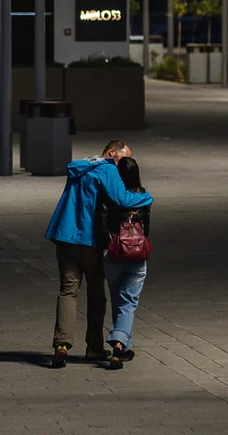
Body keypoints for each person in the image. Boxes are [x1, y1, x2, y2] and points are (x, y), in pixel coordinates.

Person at [44, 140, 153, 368]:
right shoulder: (107, 169)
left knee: (67, 292)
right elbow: (122, 199)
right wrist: (147, 198)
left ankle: (61, 345)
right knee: (96, 294)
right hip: (87, 240)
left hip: (63, 234)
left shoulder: (81, 165)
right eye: (122, 158)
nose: (123, 164)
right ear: (112, 152)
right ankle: (93, 347)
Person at [96, 156, 152, 370]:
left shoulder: (110, 195)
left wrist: (108, 243)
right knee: (128, 302)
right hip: (136, 254)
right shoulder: (143, 196)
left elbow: (101, 222)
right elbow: (146, 227)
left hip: (114, 253)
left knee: (118, 299)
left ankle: (124, 346)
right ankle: (119, 346)